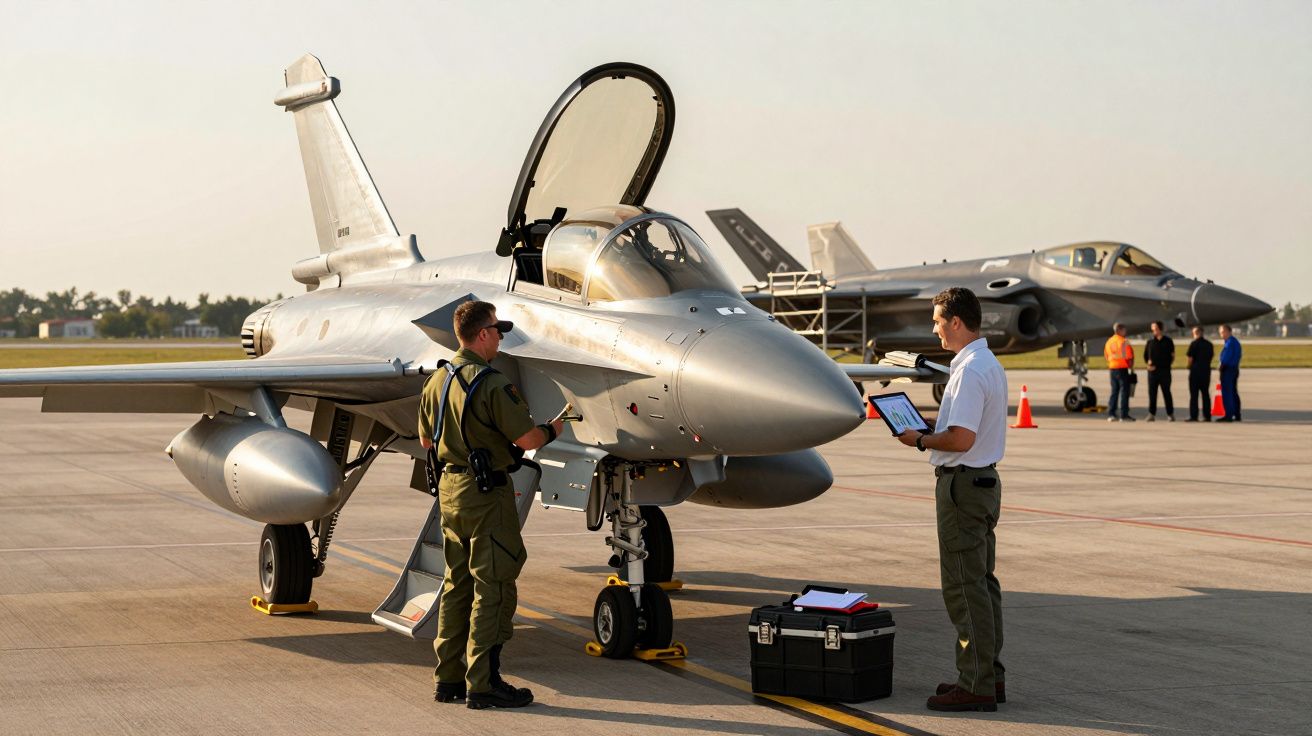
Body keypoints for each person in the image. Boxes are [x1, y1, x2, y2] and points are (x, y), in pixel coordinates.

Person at [418, 300, 565, 709]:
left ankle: (448, 680)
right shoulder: (491, 383)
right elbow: (528, 441)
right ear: (481, 334)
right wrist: (553, 428)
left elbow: (427, 442)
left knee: (456, 584)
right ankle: (483, 683)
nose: (500, 337)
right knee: (494, 587)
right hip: (487, 496)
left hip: (451, 494)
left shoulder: (437, 381)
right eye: (497, 330)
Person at [895, 287, 1008, 712]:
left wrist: (921, 439)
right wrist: (932, 425)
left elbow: (961, 439)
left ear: (956, 322)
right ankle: (988, 676)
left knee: (963, 588)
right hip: (982, 482)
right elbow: (962, 427)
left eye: (938, 320)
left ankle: (975, 684)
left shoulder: (968, 371)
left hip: (963, 485)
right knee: (982, 584)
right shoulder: (987, 363)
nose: (935, 327)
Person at [1143, 321, 1175, 421]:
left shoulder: (1168, 341)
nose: (1153, 330)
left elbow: (1172, 356)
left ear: (1160, 329)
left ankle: (1170, 414)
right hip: (1152, 372)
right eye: (1152, 328)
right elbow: (1145, 356)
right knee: (1152, 394)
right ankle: (1151, 414)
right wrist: (1148, 364)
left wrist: (1167, 365)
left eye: (1155, 328)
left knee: (1166, 393)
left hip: (1164, 372)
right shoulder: (1150, 342)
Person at [1103, 323, 1135, 422]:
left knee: (1114, 392)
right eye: (1124, 330)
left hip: (1112, 369)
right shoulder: (1124, 342)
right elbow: (1129, 357)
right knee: (1124, 392)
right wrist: (1130, 366)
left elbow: (1106, 356)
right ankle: (1124, 415)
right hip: (1122, 369)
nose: (1125, 332)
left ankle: (1111, 414)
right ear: (1120, 330)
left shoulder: (1109, 341)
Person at [1185, 326, 1214, 422]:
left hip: (1195, 372)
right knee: (1205, 394)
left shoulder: (1194, 344)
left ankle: (1194, 416)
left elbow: (1190, 358)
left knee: (1194, 395)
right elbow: (1211, 357)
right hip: (1206, 372)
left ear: (1196, 333)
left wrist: (1189, 366)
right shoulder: (1209, 344)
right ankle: (1207, 416)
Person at [1217, 324, 1243, 422]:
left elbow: (1225, 358)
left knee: (1227, 393)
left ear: (1229, 332)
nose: (1221, 335)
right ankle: (1236, 414)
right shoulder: (1234, 342)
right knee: (1233, 391)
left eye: (1223, 332)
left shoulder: (1230, 343)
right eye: (1220, 333)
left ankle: (1228, 414)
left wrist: (1221, 367)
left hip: (1228, 369)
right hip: (1234, 369)